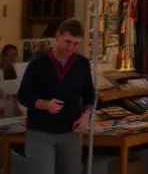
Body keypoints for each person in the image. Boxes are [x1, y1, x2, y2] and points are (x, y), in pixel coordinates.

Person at [17, 19, 95, 174]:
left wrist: (86, 114)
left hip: (71, 133)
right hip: (41, 133)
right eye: (67, 42)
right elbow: (23, 95)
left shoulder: (82, 64)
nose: (71, 47)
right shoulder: (38, 63)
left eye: (76, 43)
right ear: (57, 36)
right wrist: (45, 105)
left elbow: (89, 94)